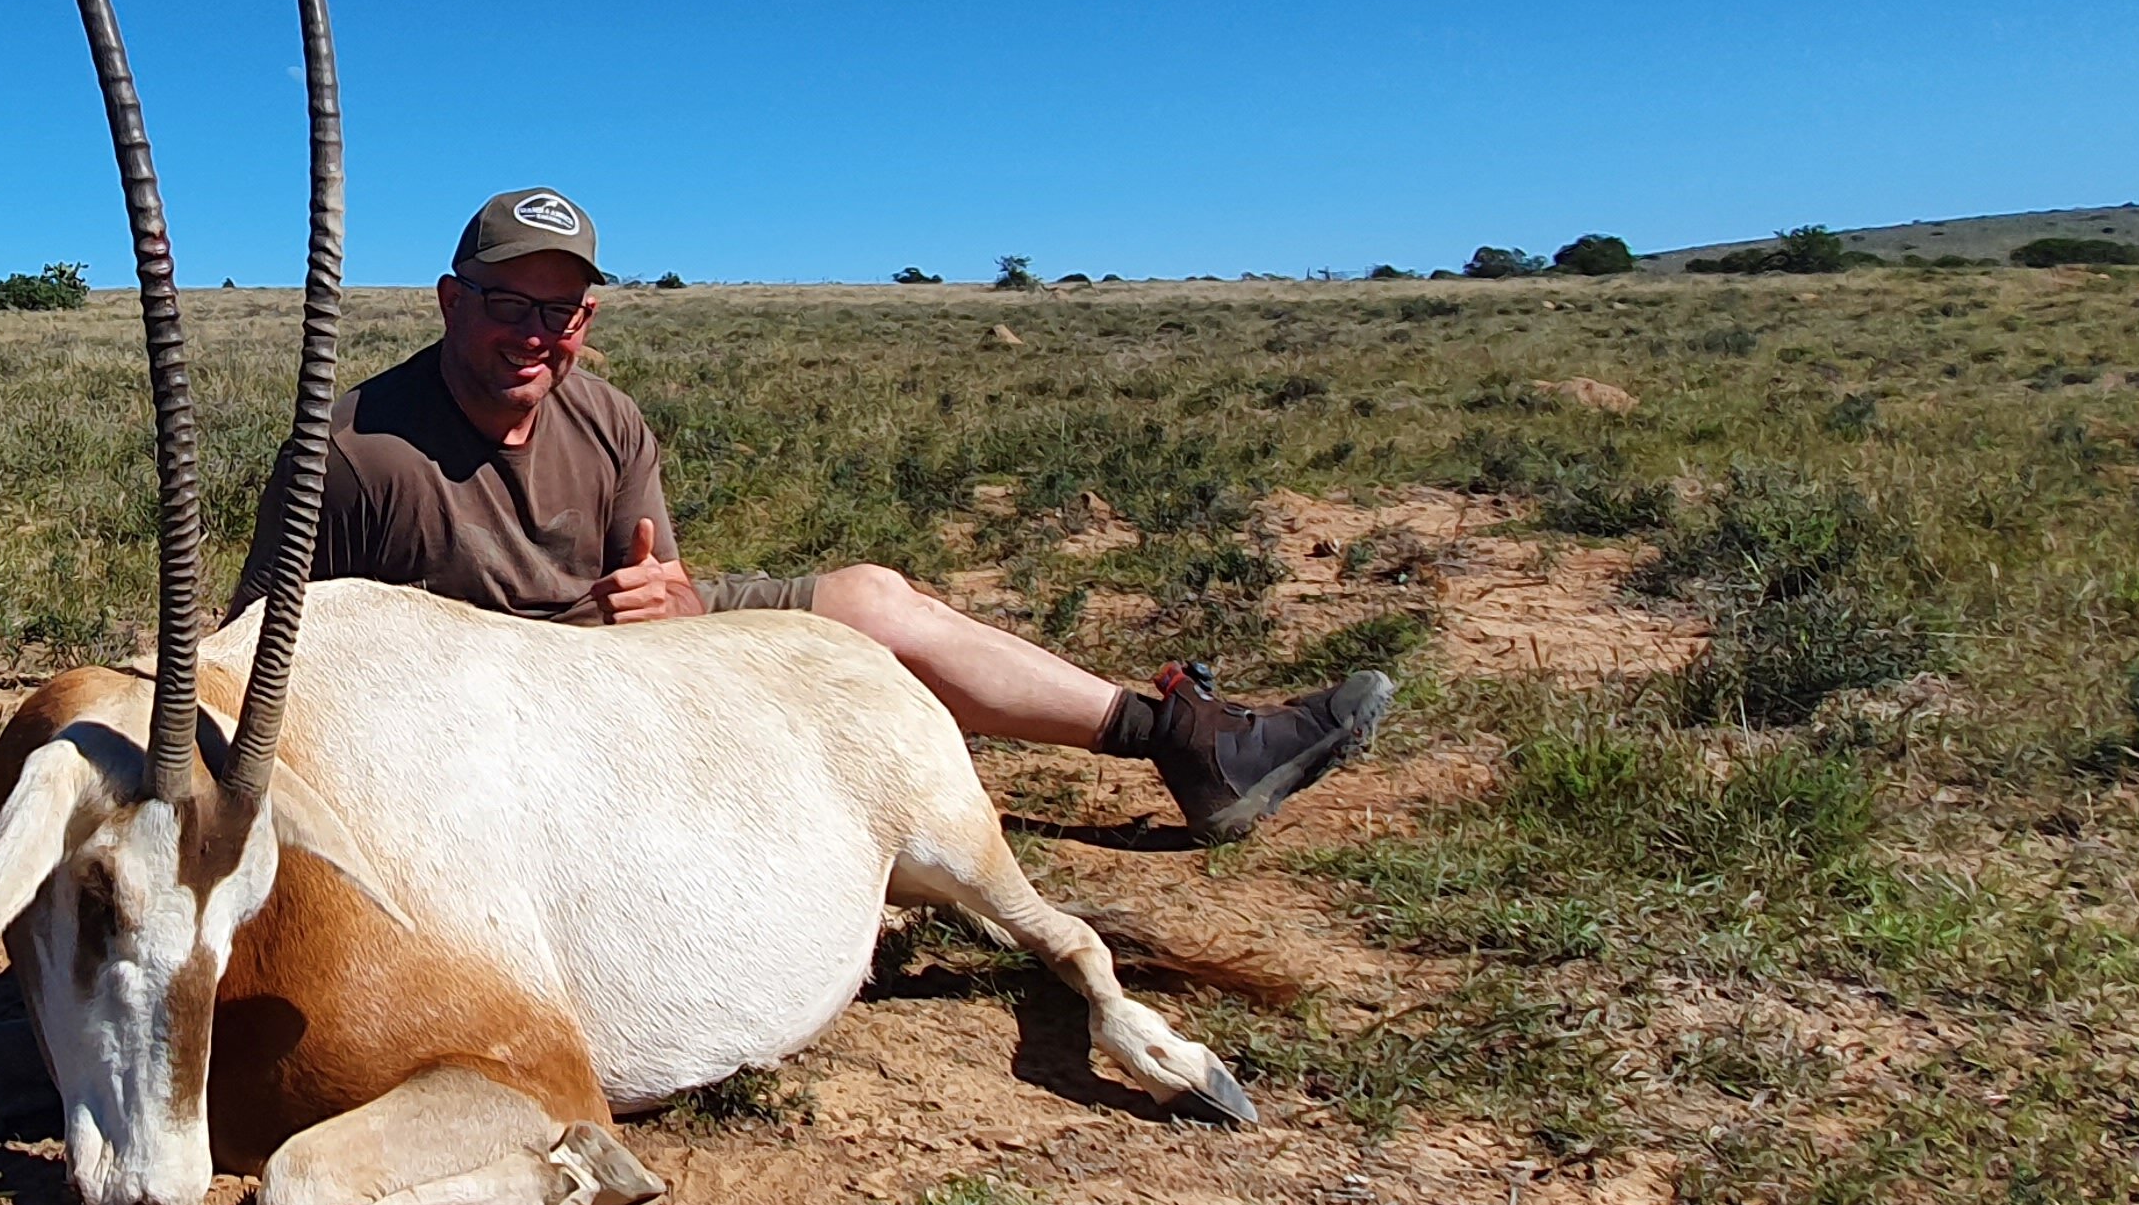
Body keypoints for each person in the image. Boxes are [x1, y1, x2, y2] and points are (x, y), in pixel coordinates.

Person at [314, 187, 1392, 839]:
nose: (535, 334)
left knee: (872, 595)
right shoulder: (352, 449)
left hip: (630, 653)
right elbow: (279, 660)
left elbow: (673, 589)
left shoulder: (608, 419)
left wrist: (674, 604)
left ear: (588, 317)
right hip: (493, 698)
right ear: (453, 300)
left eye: (562, 311)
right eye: (508, 304)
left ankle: (1183, 741)